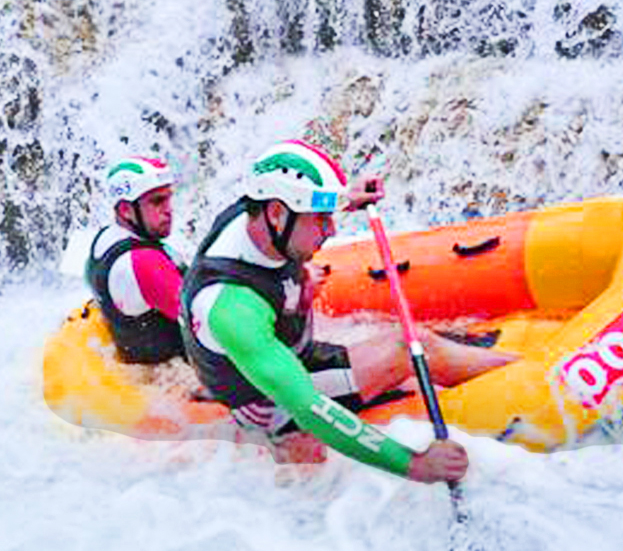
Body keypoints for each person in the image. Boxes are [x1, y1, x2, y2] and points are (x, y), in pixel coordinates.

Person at [180, 140, 518, 484]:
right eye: (321, 219)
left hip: (287, 353)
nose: (332, 230)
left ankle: (506, 372)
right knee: (410, 347)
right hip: (272, 403)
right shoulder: (230, 306)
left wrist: (347, 198)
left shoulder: (257, 214)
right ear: (278, 214)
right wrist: (415, 465)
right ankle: (525, 373)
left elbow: (298, 210)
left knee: (324, 290)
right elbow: (307, 406)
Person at [86, 156, 186, 364]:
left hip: (134, 351)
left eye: (169, 198)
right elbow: (210, 325)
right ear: (125, 210)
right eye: (157, 201)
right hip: (169, 373)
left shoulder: (104, 238)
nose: (169, 210)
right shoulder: (144, 263)